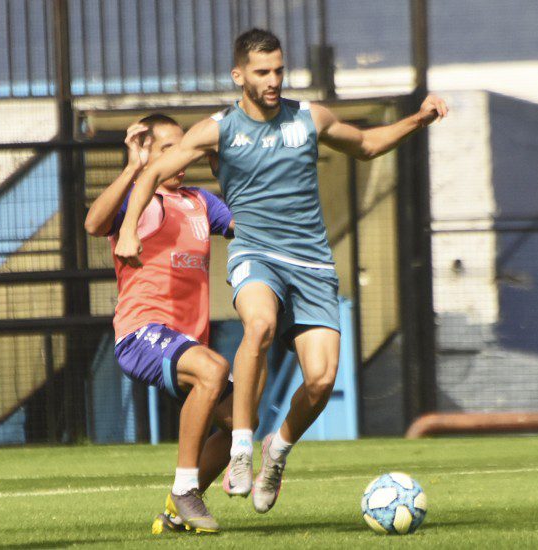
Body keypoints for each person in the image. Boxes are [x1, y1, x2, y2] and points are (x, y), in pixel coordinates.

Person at [114, 28, 448, 515]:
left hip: (312, 261)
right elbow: (151, 175)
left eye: (278, 71)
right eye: (261, 72)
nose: (273, 80)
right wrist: (127, 231)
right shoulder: (218, 129)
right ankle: (243, 449)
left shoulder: (309, 118)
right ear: (239, 76)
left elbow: (368, 144)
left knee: (320, 380)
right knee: (261, 325)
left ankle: (278, 451)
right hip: (257, 254)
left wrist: (418, 118)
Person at [85, 114, 236, 533]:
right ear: (148, 154)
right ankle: (186, 490)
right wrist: (133, 169)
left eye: (183, 147)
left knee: (241, 424)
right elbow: (94, 223)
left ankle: (173, 514)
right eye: (167, 149)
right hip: (141, 334)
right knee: (214, 369)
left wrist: (229, 162)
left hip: (187, 340)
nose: (179, 157)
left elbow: (246, 225)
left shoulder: (201, 202)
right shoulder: (141, 200)